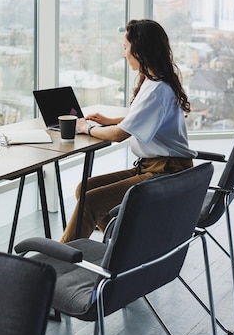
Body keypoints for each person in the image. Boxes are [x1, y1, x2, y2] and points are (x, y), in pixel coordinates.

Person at [60, 18, 196, 243]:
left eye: (125, 48)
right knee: (84, 189)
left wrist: (87, 127)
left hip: (165, 172)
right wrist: (111, 119)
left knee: (90, 201)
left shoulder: (156, 90)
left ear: (140, 49)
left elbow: (118, 135)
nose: (124, 54)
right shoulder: (154, 81)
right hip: (157, 166)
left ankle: (61, 262)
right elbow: (146, 119)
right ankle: (120, 245)